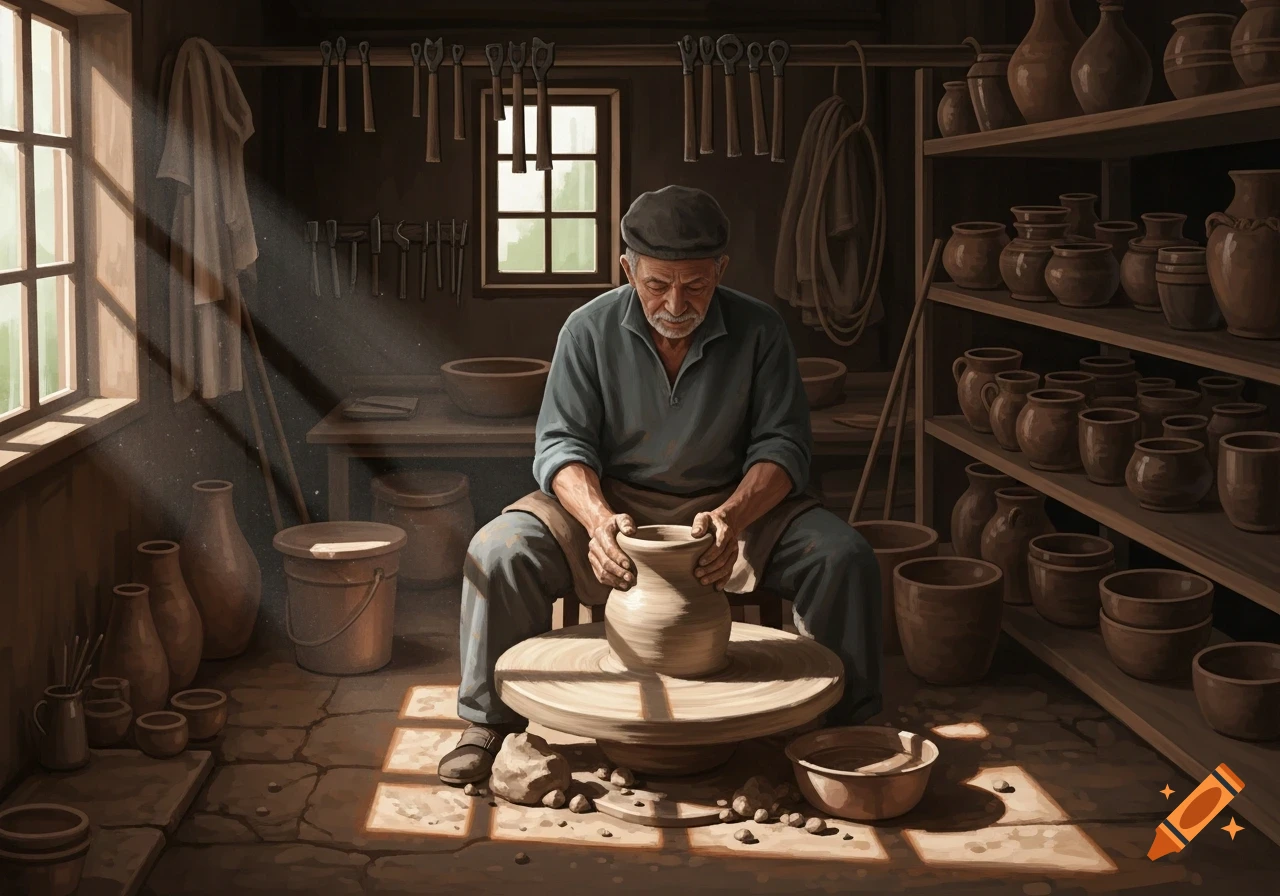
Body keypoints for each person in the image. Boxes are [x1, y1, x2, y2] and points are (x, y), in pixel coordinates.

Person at [437, 185, 881, 785]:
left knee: (841, 554)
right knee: (499, 551)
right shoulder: (587, 330)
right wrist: (595, 520)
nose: (676, 302)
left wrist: (734, 516)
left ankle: (844, 724)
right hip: (612, 505)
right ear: (627, 267)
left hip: (727, 508)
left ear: (721, 270)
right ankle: (487, 722)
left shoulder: (760, 331)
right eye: (656, 284)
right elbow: (562, 445)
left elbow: (784, 446)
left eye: (696, 285)